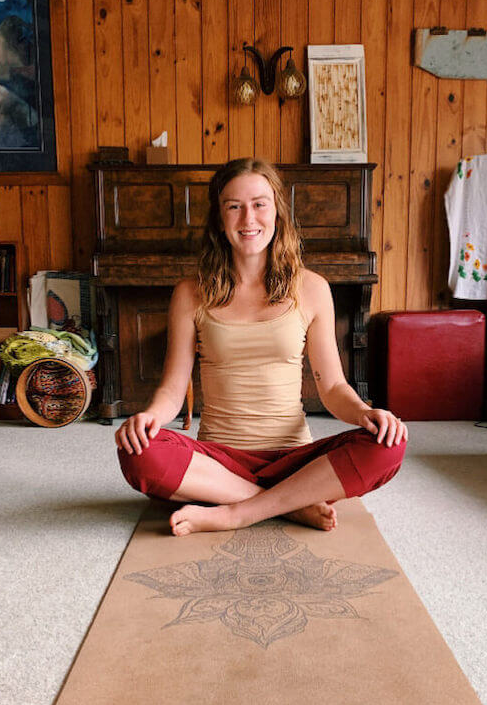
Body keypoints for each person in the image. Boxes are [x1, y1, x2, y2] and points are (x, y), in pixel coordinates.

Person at [116, 157, 408, 537]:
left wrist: (366, 414)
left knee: (389, 444)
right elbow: (173, 388)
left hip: (295, 461)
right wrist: (150, 417)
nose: (247, 219)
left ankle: (236, 512)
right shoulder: (190, 293)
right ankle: (288, 505)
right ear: (219, 220)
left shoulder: (313, 289)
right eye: (233, 207)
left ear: (277, 211)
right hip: (218, 463)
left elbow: (334, 388)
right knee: (136, 449)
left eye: (259, 204)